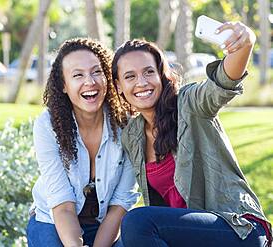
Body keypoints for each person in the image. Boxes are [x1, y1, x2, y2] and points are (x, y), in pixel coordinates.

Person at [111, 21, 272, 247]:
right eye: (130, 77)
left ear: (161, 75)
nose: (142, 82)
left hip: (237, 228)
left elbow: (222, 84)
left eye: (149, 72)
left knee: (138, 221)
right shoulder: (132, 135)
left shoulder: (189, 104)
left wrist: (244, 45)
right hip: (189, 236)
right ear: (118, 86)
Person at [26, 38, 139, 247]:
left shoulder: (128, 126)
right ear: (63, 86)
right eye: (78, 75)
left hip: (105, 223)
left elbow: (120, 204)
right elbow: (62, 205)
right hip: (53, 220)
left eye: (97, 72)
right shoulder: (48, 125)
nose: (90, 81)